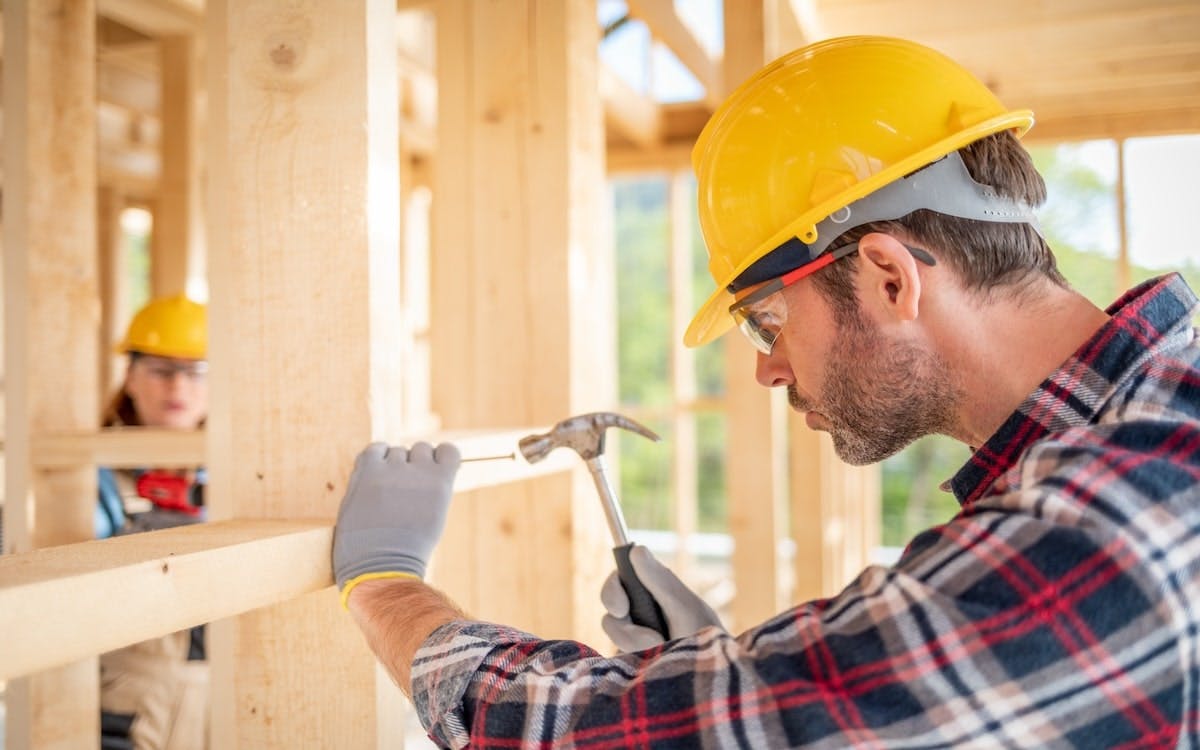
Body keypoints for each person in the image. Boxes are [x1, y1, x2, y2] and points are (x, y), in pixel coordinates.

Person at [333, 36, 1200, 747]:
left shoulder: (1110, 520)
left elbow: (586, 735)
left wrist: (385, 586)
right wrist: (710, 664)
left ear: (890, 278)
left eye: (767, 320)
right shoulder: (1145, 424)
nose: (768, 369)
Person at [97, 293, 210, 750]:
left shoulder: (244, 473)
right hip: (129, 704)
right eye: (162, 371)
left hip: (226, 699)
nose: (178, 388)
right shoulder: (94, 473)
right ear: (130, 376)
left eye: (196, 372)